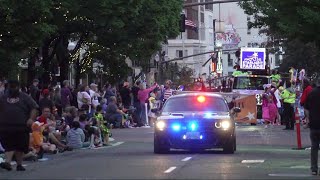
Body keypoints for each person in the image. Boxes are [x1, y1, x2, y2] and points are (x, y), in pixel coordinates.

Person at [0, 80, 38, 171]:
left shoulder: (25, 97)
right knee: (8, 145)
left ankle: (19, 164)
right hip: (6, 125)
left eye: (14, 87)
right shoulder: (3, 97)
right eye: (11, 87)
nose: (12, 89)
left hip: (21, 125)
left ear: (18, 87)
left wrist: (31, 119)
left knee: (20, 146)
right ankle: (8, 163)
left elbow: (34, 107)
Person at [304, 77, 320, 175]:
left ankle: (314, 169)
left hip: (314, 124)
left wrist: (308, 119)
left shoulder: (312, 93)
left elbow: (306, 108)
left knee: (314, 147)